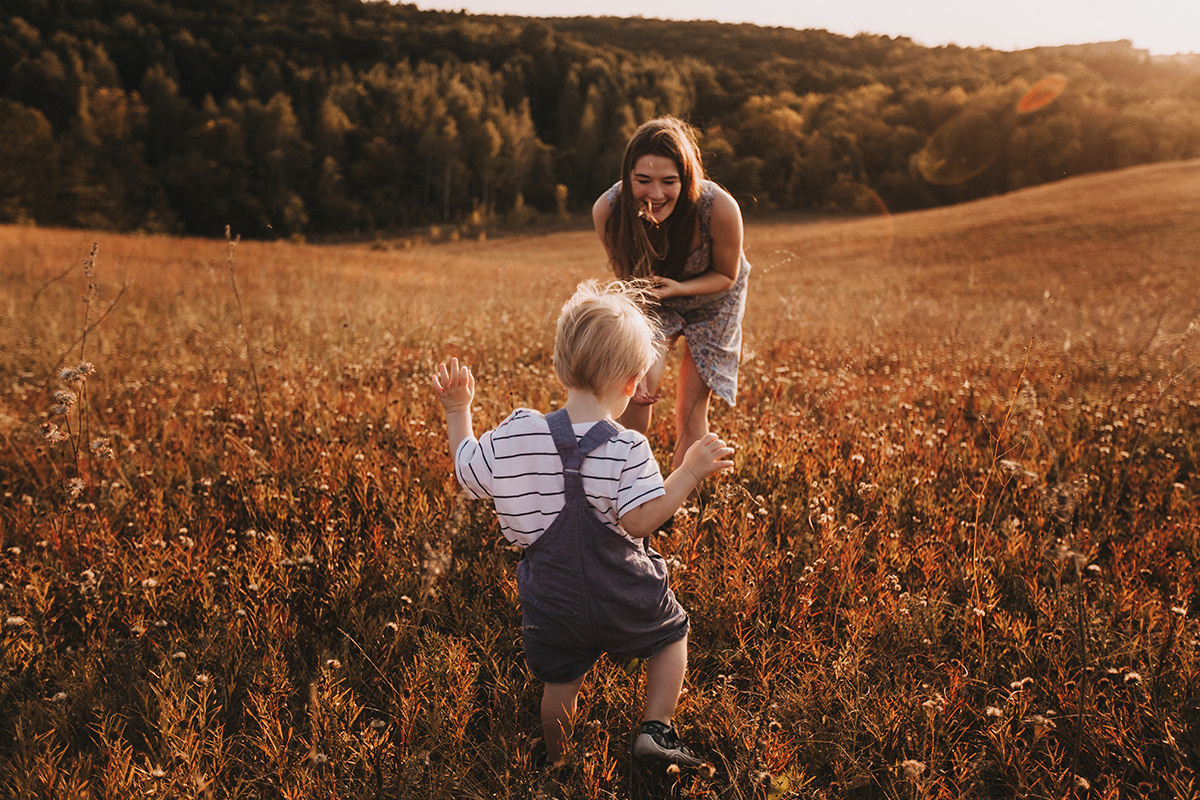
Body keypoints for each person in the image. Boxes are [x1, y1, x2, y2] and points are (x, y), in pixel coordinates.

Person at [431, 279, 734, 770]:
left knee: (561, 683)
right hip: (623, 591)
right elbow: (640, 522)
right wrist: (688, 473)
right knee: (672, 635)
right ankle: (656, 729)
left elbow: (468, 473)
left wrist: (458, 410)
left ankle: (562, 764)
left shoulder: (518, 433)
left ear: (560, 365)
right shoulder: (627, 446)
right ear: (633, 383)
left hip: (552, 599)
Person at [592, 116, 751, 470]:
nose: (656, 194)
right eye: (643, 181)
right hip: (651, 300)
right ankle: (624, 491)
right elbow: (628, 289)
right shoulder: (609, 210)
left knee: (689, 411)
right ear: (626, 176)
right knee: (634, 392)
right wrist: (638, 365)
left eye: (669, 181)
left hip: (714, 299)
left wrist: (680, 288)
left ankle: (680, 510)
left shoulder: (719, 208)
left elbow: (727, 275)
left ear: (686, 178)